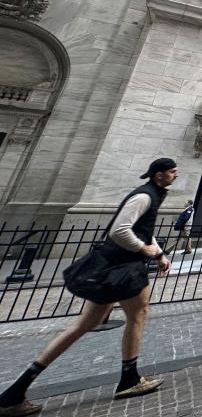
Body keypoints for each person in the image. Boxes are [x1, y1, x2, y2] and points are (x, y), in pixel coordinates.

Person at [0, 158, 177, 416]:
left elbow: (144, 229)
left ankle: (16, 390)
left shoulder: (152, 195)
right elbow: (120, 231)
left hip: (115, 267)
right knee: (138, 315)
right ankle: (129, 378)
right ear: (159, 175)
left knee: (85, 325)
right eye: (172, 171)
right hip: (122, 268)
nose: (176, 174)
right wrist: (144, 250)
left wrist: (159, 254)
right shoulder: (144, 196)